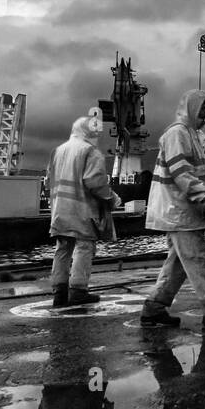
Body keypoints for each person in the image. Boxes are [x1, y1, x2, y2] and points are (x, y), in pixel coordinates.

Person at [139, 89, 205, 333]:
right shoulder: (178, 134)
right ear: (191, 109)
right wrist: (203, 197)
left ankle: (154, 307)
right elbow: (182, 173)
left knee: (177, 264)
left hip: (181, 209)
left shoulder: (189, 134)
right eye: (203, 109)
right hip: (181, 211)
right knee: (198, 260)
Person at [47, 115, 120, 307]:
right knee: (84, 247)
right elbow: (95, 182)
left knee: (62, 247)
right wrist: (112, 199)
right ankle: (78, 290)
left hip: (59, 209)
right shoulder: (90, 151)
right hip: (81, 209)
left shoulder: (58, 150)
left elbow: (49, 181)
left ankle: (59, 292)